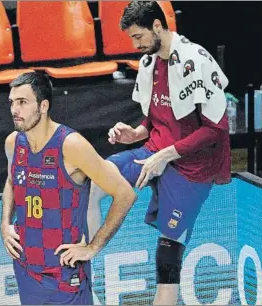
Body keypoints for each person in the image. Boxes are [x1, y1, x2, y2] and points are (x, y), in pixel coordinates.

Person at [87, 1, 231, 305]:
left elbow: (215, 131)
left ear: (157, 26)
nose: (135, 45)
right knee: (93, 184)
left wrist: (165, 155)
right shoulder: (150, 63)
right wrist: (137, 133)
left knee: (168, 254)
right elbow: (156, 118)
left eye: (138, 37)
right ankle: (84, 272)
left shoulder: (197, 61)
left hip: (193, 168)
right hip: (154, 151)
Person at [0, 72, 137, 305]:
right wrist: (5, 223)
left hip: (65, 271)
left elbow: (125, 194)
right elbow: (12, 180)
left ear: (43, 106)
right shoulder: (14, 142)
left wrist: (93, 247)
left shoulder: (71, 145)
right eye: (12, 102)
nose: (15, 109)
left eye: (22, 102)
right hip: (26, 267)